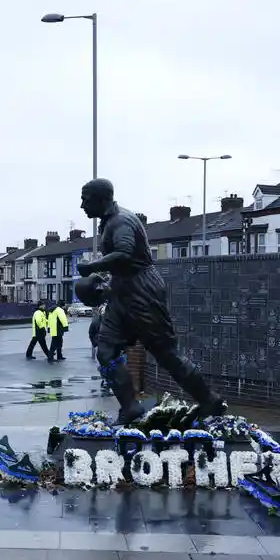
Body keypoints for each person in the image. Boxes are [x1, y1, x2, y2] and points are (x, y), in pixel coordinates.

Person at [75, 178, 226, 426]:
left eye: (85, 199)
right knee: (106, 351)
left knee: (166, 354)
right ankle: (131, 407)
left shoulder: (121, 221)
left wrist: (92, 266)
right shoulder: (109, 221)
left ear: (101, 198)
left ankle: (209, 399)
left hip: (141, 291)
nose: (82, 205)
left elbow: (125, 253)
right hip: (121, 291)